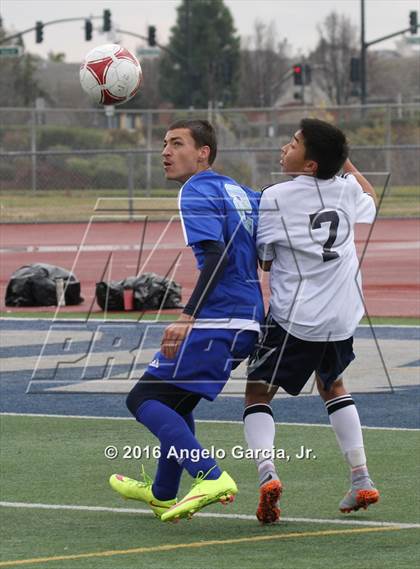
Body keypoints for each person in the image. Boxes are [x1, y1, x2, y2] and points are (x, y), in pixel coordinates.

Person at [109, 119, 264, 522]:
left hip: (221, 316)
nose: (165, 151)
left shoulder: (196, 190)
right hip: (246, 315)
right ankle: (163, 492)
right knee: (176, 401)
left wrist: (187, 316)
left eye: (177, 143)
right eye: (164, 143)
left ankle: (210, 476)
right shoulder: (238, 190)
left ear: (203, 153)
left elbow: (216, 257)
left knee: (143, 399)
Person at [243, 118, 380, 524]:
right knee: (333, 384)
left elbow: (264, 260)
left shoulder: (276, 196)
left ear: (309, 165)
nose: (284, 148)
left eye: (294, 144)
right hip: (342, 316)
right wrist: (345, 165)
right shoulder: (346, 189)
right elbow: (370, 197)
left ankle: (267, 474)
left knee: (257, 394)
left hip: (295, 318)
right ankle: (361, 476)